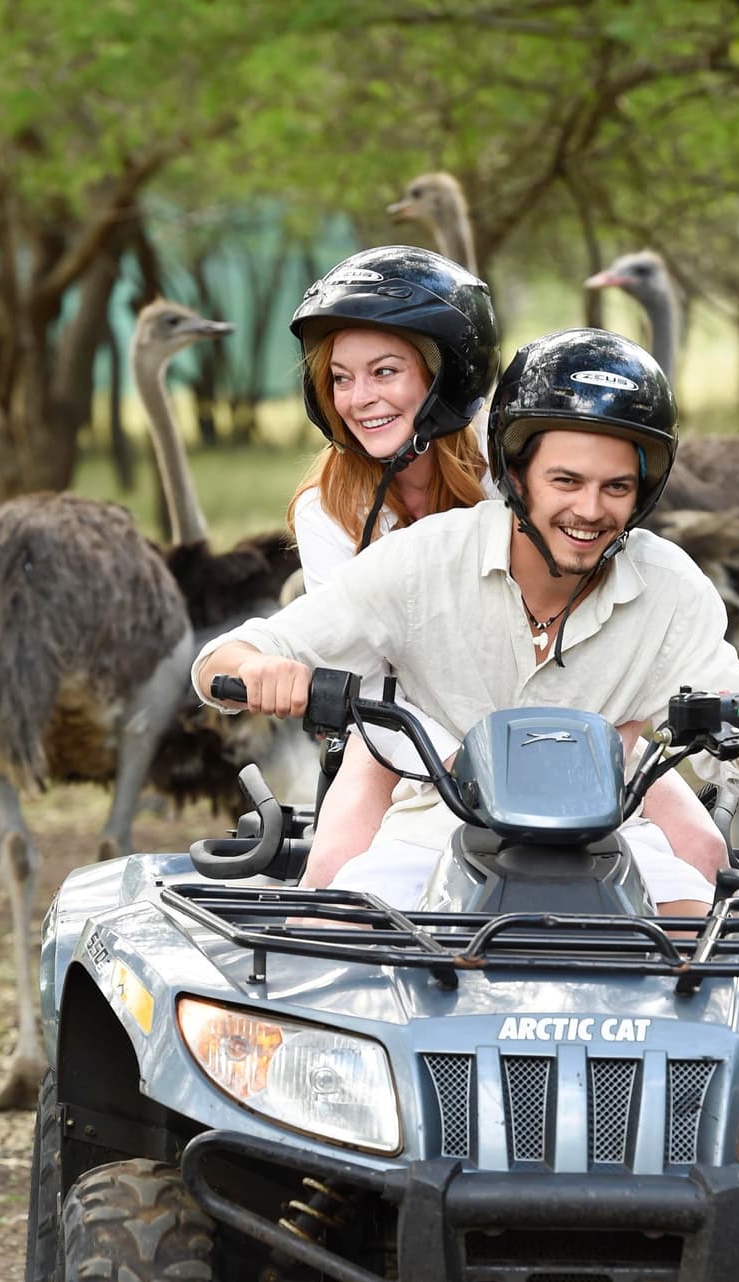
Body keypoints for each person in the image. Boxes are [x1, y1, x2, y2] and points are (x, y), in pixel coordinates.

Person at [197, 327, 739, 915]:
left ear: (644, 490)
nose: (590, 510)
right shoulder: (422, 560)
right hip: (434, 832)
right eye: (566, 481)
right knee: (334, 943)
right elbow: (230, 657)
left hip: (617, 841)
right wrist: (261, 669)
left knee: (692, 949)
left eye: (617, 487)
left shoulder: (672, 588)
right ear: (514, 475)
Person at [286, 245, 500, 886]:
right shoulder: (326, 510)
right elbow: (361, 669)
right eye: (341, 379)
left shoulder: (511, 467)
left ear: (446, 375)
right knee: (328, 876)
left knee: (689, 851)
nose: (359, 399)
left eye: (384, 371)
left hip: (547, 710)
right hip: (404, 722)